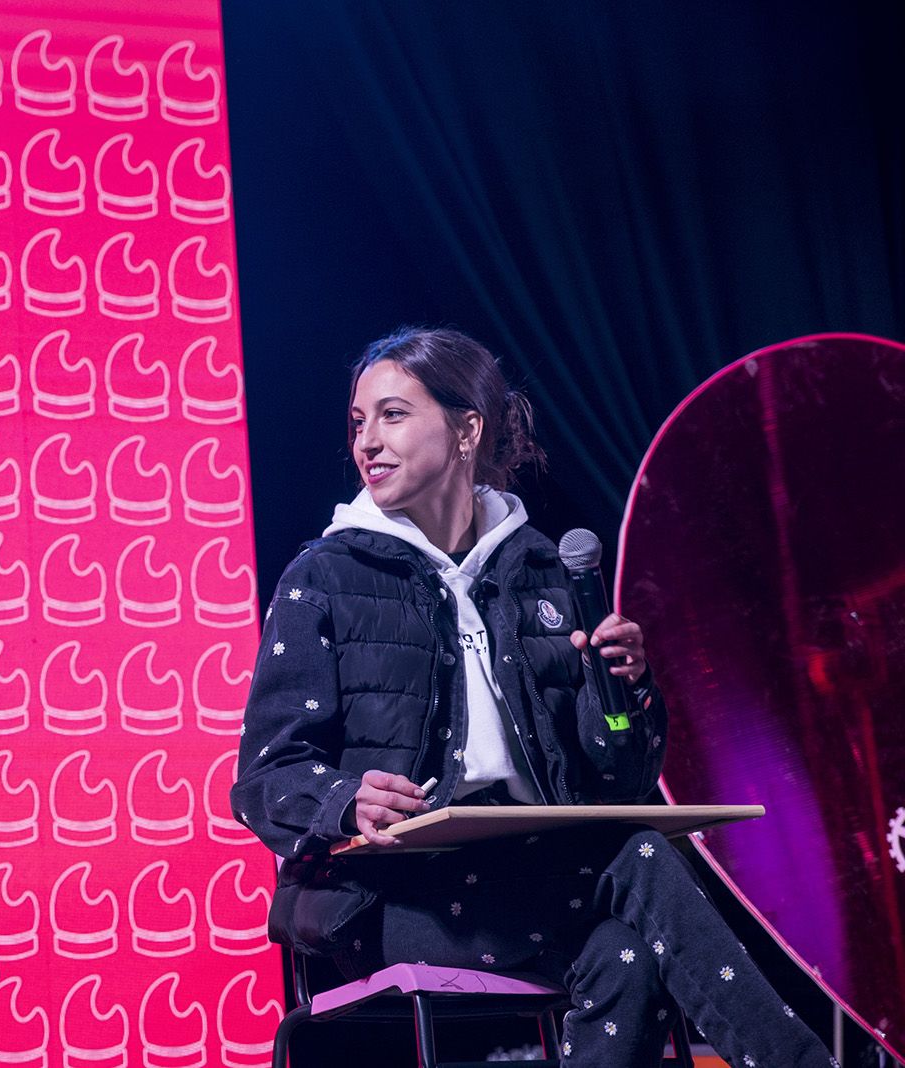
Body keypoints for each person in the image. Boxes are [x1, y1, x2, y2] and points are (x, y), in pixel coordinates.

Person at [232, 327, 834, 1066]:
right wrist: (346, 799)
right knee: (639, 857)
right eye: (359, 422)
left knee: (624, 956)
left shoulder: (543, 570)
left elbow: (616, 780)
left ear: (466, 429)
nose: (367, 442)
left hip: (536, 875)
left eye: (392, 415)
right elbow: (266, 777)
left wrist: (627, 694)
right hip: (389, 895)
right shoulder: (323, 576)